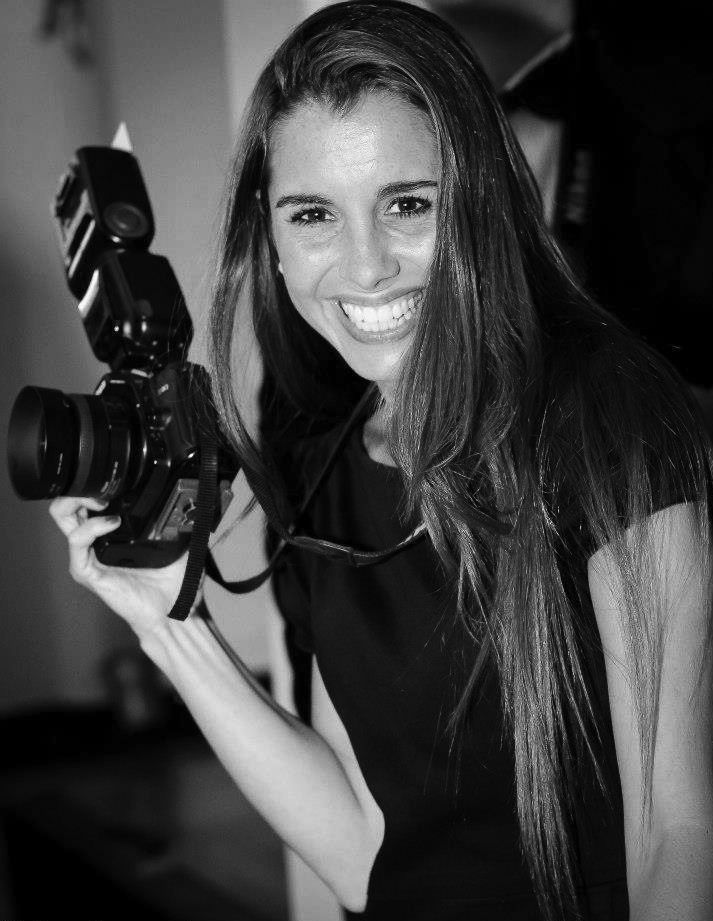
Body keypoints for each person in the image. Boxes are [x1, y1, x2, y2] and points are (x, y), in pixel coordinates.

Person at [49, 2, 713, 919]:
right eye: (313, 215)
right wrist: (170, 622)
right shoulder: (323, 462)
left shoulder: (609, 424)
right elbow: (364, 845)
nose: (365, 268)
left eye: (407, 205)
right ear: (271, 236)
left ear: (481, 198)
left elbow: (673, 833)